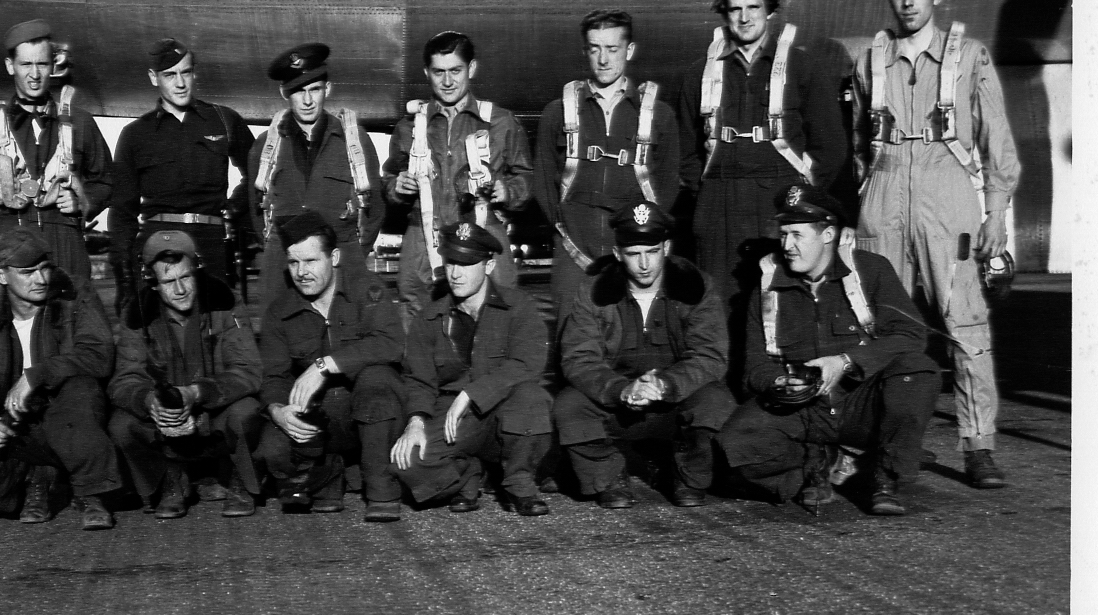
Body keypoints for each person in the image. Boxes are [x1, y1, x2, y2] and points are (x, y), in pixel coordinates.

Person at [851, 0, 1020, 490]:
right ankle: (888, 444)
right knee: (881, 325)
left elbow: (997, 140)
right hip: (883, 196)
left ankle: (979, 447)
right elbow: (859, 144)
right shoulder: (869, 62)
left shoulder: (969, 56)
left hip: (948, 194)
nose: (908, 2)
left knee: (964, 322)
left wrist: (996, 213)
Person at [717, 185, 940, 515]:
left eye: (797, 235)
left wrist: (847, 362)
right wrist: (778, 382)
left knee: (916, 373)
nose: (786, 246)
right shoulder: (766, 288)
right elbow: (753, 367)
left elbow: (911, 335)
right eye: (783, 234)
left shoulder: (870, 271)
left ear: (828, 234)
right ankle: (817, 465)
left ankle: (884, 475)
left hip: (861, 402)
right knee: (735, 445)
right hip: (803, 408)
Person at [673, 0, 846, 322]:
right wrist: (707, 195)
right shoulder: (697, 74)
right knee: (717, 308)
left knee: (782, 304)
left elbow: (831, 147)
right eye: (735, 9)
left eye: (753, 7)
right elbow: (685, 151)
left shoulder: (803, 68)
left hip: (780, 203)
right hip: (718, 204)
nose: (745, 17)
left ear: (769, 10)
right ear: (724, 14)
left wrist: (802, 198)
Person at [555, 198, 736, 509]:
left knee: (716, 401)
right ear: (617, 254)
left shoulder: (696, 286)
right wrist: (621, 390)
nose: (644, 264)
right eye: (633, 254)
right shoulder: (593, 290)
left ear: (666, 247)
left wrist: (665, 384)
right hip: (617, 404)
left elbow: (710, 355)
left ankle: (687, 475)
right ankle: (608, 476)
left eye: (652, 252)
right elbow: (578, 358)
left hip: (675, 400)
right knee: (569, 405)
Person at [0, 228, 119, 529]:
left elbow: (99, 356)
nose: (41, 279)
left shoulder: (75, 297)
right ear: (1, 275)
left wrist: (36, 375)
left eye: (44, 268)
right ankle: (34, 478)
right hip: (20, 427)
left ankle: (90, 491)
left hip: (73, 417)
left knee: (80, 388)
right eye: (27, 272)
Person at [390, 222, 552, 516]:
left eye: (466, 264)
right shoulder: (429, 318)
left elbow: (528, 363)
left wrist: (471, 394)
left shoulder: (518, 306)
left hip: (505, 410)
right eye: (451, 262)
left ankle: (519, 483)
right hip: (455, 418)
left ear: (488, 266)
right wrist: (415, 423)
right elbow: (418, 379)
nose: (455, 273)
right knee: (409, 464)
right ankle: (470, 472)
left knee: (532, 398)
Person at [256, 213, 405, 520]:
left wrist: (325, 365)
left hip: (369, 412)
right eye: (293, 263)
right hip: (319, 416)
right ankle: (330, 474)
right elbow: (273, 376)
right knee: (273, 451)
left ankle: (381, 489)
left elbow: (390, 343)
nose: (301, 272)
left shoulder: (366, 290)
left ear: (334, 258)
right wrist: (278, 411)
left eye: (311, 261)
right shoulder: (279, 311)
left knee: (378, 377)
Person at [107, 229, 263, 519]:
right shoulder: (137, 313)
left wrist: (198, 392)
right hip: (166, 421)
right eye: (169, 281)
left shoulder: (224, 301)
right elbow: (124, 379)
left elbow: (248, 370)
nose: (180, 289)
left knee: (247, 411)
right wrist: (149, 401)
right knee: (121, 424)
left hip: (215, 412)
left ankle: (238, 478)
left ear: (197, 272)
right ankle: (169, 480)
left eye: (186, 277)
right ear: (154, 283)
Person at [534, 9, 680, 315]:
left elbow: (667, 186)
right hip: (572, 249)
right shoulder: (557, 113)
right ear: (585, 51)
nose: (603, 59)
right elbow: (543, 184)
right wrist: (568, 227)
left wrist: (640, 235)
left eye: (612, 49)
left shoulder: (660, 115)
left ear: (629, 50)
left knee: (630, 334)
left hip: (632, 252)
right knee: (570, 333)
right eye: (595, 49)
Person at [0, 19, 113, 291]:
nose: (35, 74)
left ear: (53, 66)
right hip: (10, 246)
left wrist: (81, 201)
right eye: (26, 64)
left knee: (73, 313)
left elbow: (106, 182)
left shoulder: (81, 123)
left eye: (42, 64)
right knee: (10, 318)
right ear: (10, 65)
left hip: (66, 244)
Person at [382, 30, 533, 323]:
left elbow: (526, 178)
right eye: (439, 72)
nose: (448, 81)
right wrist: (396, 187)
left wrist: (508, 191)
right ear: (426, 73)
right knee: (417, 320)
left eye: (455, 71)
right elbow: (389, 179)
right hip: (423, 240)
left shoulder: (501, 122)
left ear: (471, 69)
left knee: (495, 318)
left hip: (483, 232)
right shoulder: (409, 127)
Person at [108, 37, 251, 319]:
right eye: (170, 75)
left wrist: (235, 206)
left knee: (217, 324)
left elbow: (258, 174)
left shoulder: (224, 120)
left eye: (186, 72)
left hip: (210, 242)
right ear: (154, 78)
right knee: (162, 330)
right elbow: (123, 211)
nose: (181, 83)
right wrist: (124, 278)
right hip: (158, 242)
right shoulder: (135, 134)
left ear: (194, 73)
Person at [247, 42, 382, 309]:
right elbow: (255, 211)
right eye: (299, 91)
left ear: (327, 89)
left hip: (342, 263)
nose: (308, 101)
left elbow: (374, 209)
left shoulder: (354, 141)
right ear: (284, 93)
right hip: (283, 267)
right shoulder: (266, 146)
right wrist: (277, 253)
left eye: (315, 89)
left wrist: (352, 255)